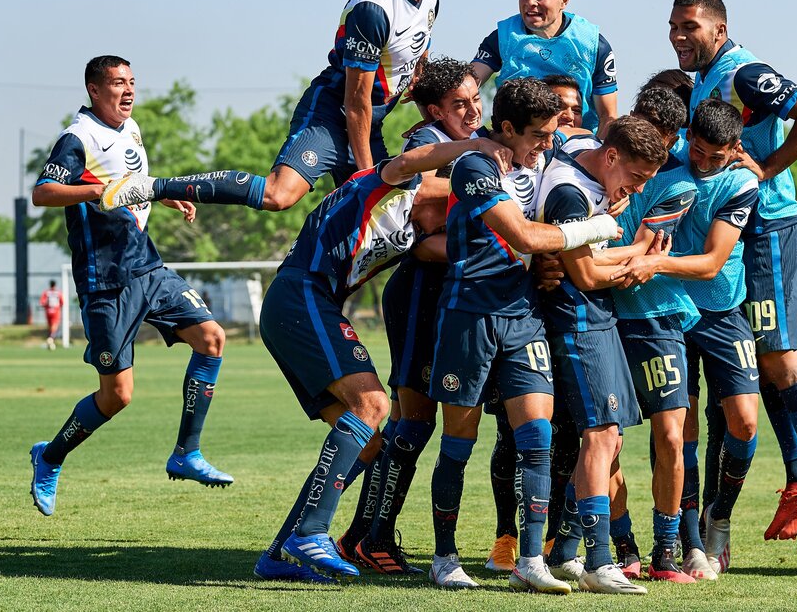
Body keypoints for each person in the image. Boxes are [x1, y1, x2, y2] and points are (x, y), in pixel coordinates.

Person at [254, 130, 516, 584]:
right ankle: (311, 533)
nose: (444, 226)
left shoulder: (415, 232)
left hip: (305, 305)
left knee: (369, 442)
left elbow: (467, 250)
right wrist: (475, 147)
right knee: (373, 404)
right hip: (300, 294)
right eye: (448, 216)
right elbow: (414, 163)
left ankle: (279, 553)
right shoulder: (396, 185)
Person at [100, 0, 452, 213]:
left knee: (386, 217)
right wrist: (364, 175)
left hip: (367, 123)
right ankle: (154, 186)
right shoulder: (374, 9)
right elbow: (356, 101)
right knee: (279, 195)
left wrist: (429, 115)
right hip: (332, 114)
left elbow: (416, 61)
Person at [425, 78, 620, 593]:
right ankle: (444, 558)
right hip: (469, 315)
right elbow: (524, 235)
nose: (547, 144)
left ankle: (530, 561)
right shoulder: (474, 167)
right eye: (538, 135)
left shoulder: (543, 162)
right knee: (458, 443)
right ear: (507, 128)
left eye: (552, 134)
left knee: (537, 438)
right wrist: (595, 228)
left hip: (524, 315)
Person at [668, 0, 797, 540]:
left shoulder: (743, 73)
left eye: (690, 26)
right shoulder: (705, 79)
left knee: (779, 354)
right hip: (746, 234)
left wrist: (767, 169)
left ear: (719, 30)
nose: (678, 36)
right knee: (763, 361)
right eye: (673, 26)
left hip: (770, 227)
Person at [28, 56, 232, 519]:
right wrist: (96, 191)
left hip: (146, 265)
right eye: (118, 83)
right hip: (105, 280)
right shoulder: (78, 138)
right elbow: (43, 192)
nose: (128, 91)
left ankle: (187, 452)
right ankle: (50, 457)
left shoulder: (131, 128)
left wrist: (162, 194)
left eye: (132, 82)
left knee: (212, 338)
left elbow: (131, 181)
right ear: (94, 90)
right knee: (116, 396)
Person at [334, 58, 486, 574]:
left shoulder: (474, 140)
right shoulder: (425, 140)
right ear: (434, 111)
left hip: (448, 293)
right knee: (414, 421)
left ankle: (360, 534)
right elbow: (416, 198)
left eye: (475, 99)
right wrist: (488, 188)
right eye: (459, 104)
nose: (472, 110)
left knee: (409, 421)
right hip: (419, 290)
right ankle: (371, 537)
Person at [612, 99, 762, 576]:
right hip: (669, 311)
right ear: (687, 137)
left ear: (735, 149)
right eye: (697, 150)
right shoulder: (666, 164)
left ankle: (720, 516)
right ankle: (689, 540)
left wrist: (653, 263)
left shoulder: (741, 182)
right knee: (681, 430)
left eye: (716, 156)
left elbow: (713, 263)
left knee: (744, 423)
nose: (703, 162)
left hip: (719, 308)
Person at [534, 117, 668, 595]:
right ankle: (598, 561)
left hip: (598, 317)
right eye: (636, 177)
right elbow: (586, 275)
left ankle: (565, 553)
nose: (637, 189)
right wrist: (641, 263)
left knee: (610, 439)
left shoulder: (589, 160)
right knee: (600, 434)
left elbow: (589, 257)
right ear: (611, 157)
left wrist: (636, 251)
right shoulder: (570, 193)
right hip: (579, 321)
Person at [471, 0, 619, 138]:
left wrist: (594, 152)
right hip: (514, 143)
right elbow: (467, 85)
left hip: (574, 145)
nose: (530, 2)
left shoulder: (593, 44)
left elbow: (608, 117)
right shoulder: (502, 38)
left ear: (564, 0)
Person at [39, 280, 63, 350]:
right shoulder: (58, 293)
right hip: (56, 311)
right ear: (55, 285)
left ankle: (50, 341)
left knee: (50, 327)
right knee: (54, 326)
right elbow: (62, 302)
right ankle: (50, 339)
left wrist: (46, 305)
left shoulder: (46, 293)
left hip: (48, 311)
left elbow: (42, 302)